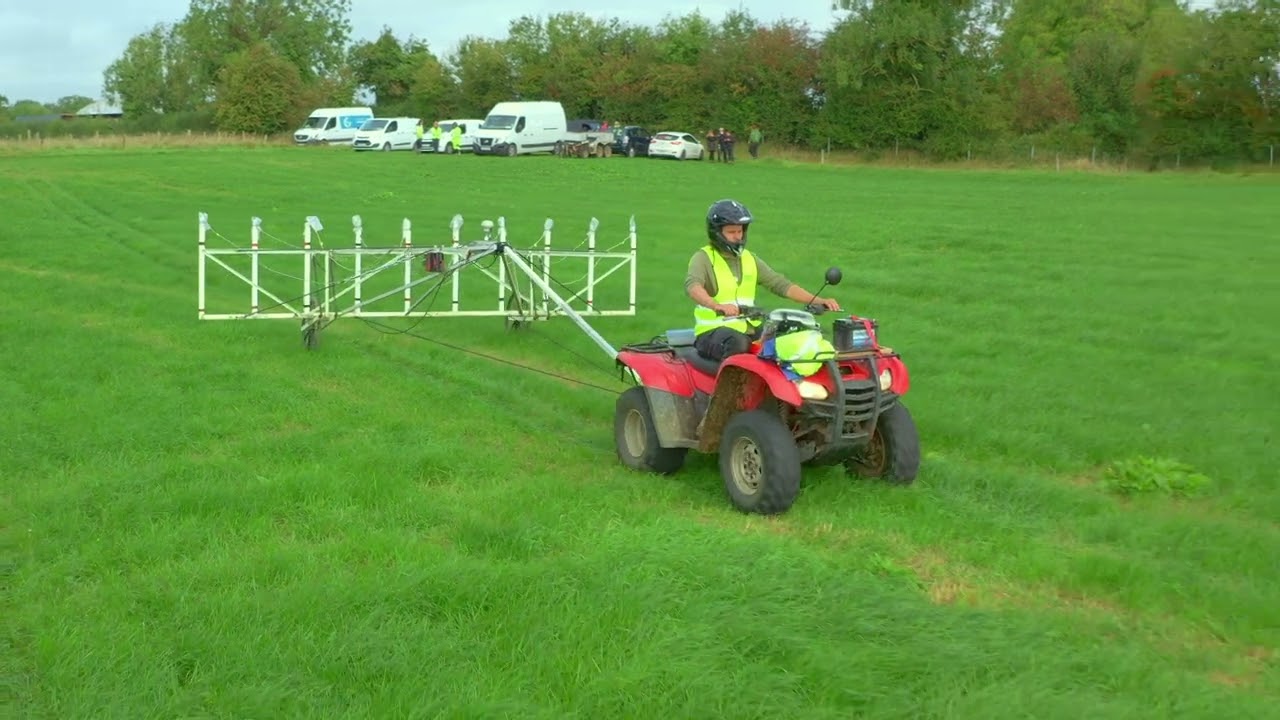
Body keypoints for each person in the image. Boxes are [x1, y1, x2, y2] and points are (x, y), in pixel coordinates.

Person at [686, 199, 840, 363]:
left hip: (747, 326)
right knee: (738, 343)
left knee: (788, 338)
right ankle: (730, 388)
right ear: (716, 232)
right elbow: (693, 286)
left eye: (740, 231)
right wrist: (716, 306)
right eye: (732, 232)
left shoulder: (749, 259)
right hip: (711, 332)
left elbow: (780, 284)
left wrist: (818, 300)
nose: (738, 237)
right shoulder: (703, 258)